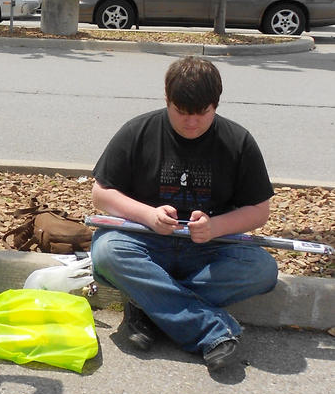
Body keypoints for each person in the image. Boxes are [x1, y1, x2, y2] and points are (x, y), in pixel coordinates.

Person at [90, 56, 278, 372]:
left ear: (216, 105)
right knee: (107, 252)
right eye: (181, 113)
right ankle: (211, 330)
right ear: (167, 100)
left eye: (201, 113)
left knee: (262, 269)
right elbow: (100, 194)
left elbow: (260, 211)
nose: (191, 122)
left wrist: (216, 226)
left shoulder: (237, 141)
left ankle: (148, 307)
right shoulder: (138, 131)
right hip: (147, 241)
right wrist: (147, 216)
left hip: (210, 248)